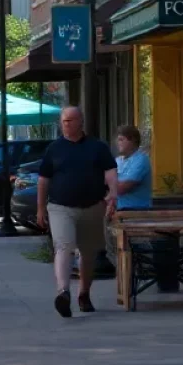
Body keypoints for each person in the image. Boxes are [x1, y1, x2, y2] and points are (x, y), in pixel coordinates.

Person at [36, 106, 118, 318]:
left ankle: (84, 293)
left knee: (88, 254)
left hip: (92, 206)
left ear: (81, 122)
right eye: (64, 121)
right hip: (60, 207)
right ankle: (63, 292)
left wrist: (113, 195)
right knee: (64, 246)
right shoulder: (54, 149)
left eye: (71, 120)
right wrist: (40, 208)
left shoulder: (97, 147)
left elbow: (110, 171)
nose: (67, 124)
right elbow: (43, 179)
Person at [115, 125, 152, 211]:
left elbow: (122, 188)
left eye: (121, 139)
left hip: (136, 212)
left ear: (132, 140)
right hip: (117, 211)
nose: (118, 143)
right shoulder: (117, 160)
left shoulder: (141, 160)